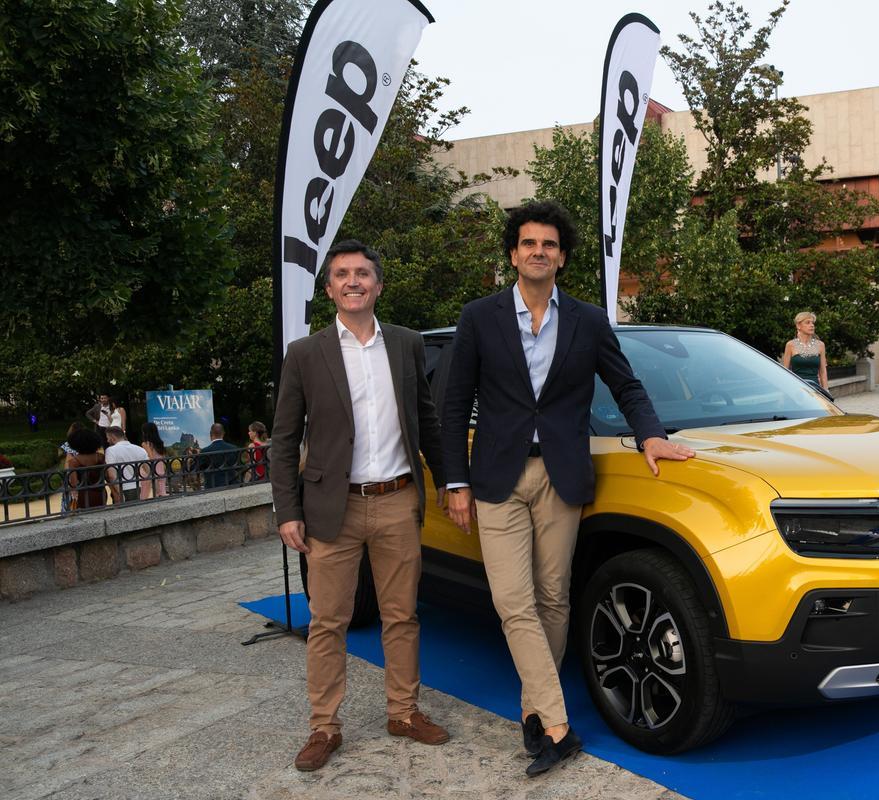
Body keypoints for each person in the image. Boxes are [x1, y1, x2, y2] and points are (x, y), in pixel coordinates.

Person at [441, 200, 694, 777]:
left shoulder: (586, 319)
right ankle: (557, 725)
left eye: (549, 244)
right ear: (513, 253)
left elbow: (625, 385)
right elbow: (454, 404)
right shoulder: (479, 317)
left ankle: (534, 708)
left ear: (561, 257)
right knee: (513, 601)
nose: (538, 251)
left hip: (563, 474)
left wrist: (651, 436)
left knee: (554, 598)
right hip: (497, 478)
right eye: (529, 243)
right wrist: (455, 479)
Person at [271, 239, 449, 773]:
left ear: (378, 284)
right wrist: (287, 510)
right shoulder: (305, 354)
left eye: (363, 273)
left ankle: (404, 712)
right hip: (331, 507)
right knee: (328, 621)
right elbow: (283, 440)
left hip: (397, 500)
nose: (353, 281)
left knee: (402, 616)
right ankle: (324, 727)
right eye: (342, 274)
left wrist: (451, 485)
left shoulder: (406, 344)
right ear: (329, 288)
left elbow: (427, 420)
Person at [781, 311, 828, 389]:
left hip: (815, 389)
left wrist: (826, 391)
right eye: (808, 323)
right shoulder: (790, 345)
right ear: (798, 326)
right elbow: (785, 371)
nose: (812, 325)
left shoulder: (821, 345)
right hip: (796, 388)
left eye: (813, 323)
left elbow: (823, 372)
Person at [104, 427, 148, 504]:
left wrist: (119, 494)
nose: (107, 440)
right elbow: (149, 470)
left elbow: (112, 475)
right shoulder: (139, 449)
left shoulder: (110, 450)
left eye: (108, 438)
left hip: (122, 488)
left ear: (113, 437)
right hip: (137, 486)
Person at [65, 428, 106, 511]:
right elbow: (107, 475)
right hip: (100, 493)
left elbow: (74, 483)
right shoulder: (100, 457)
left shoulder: (74, 461)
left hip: (84, 495)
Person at [198, 423, 238, 489]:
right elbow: (239, 466)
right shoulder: (233, 448)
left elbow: (198, 468)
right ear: (223, 433)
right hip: (232, 484)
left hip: (212, 486)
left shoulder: (205, 451)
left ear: (211, 434)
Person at [139, 422, 168, 499]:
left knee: (144, 495)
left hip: (150, 470)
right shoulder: (160, 443)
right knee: (162, 494)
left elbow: (150, 457)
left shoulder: (145, 444)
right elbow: (163, 457)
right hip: (161, 470)